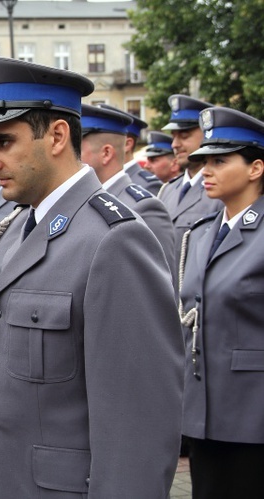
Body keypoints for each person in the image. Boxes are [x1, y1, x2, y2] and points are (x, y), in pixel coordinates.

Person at [0, 56, 183, 497]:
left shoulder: (114, 242)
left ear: (56, 136)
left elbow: (137, 428)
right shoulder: (13, 230)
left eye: (2, 142)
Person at [178, 106, 264, 499]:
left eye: (219, 161)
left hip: (253, 415)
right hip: (203, 413)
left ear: (256, 168)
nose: (206, 170)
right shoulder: (200, 234)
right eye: (204, 161)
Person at [80, 103, 176, 276]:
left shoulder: (144, 208)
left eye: (77, 147)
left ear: (106, 153)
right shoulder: (82, 200)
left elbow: (162, 289)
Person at [158, 95, 223, 273]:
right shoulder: (168, 189)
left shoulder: (221, 191)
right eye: (173, 137)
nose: (175, 144)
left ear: (206, 136)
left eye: (184, 136)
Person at [98, 103, 162, 195]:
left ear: (127, 144)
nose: (94, 144)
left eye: (100, 140)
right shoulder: (102, 179)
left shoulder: (147, 185)